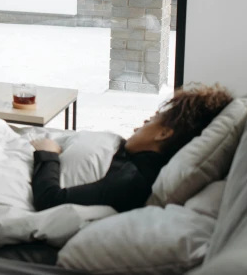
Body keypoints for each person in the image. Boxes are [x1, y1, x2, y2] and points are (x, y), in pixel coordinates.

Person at [31, 83, 234, 213]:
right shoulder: (138, 166)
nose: (139, 125)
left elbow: (50, 200)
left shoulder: (132, 179)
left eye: (151, 120)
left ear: (163, 134)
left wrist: (47, 153)